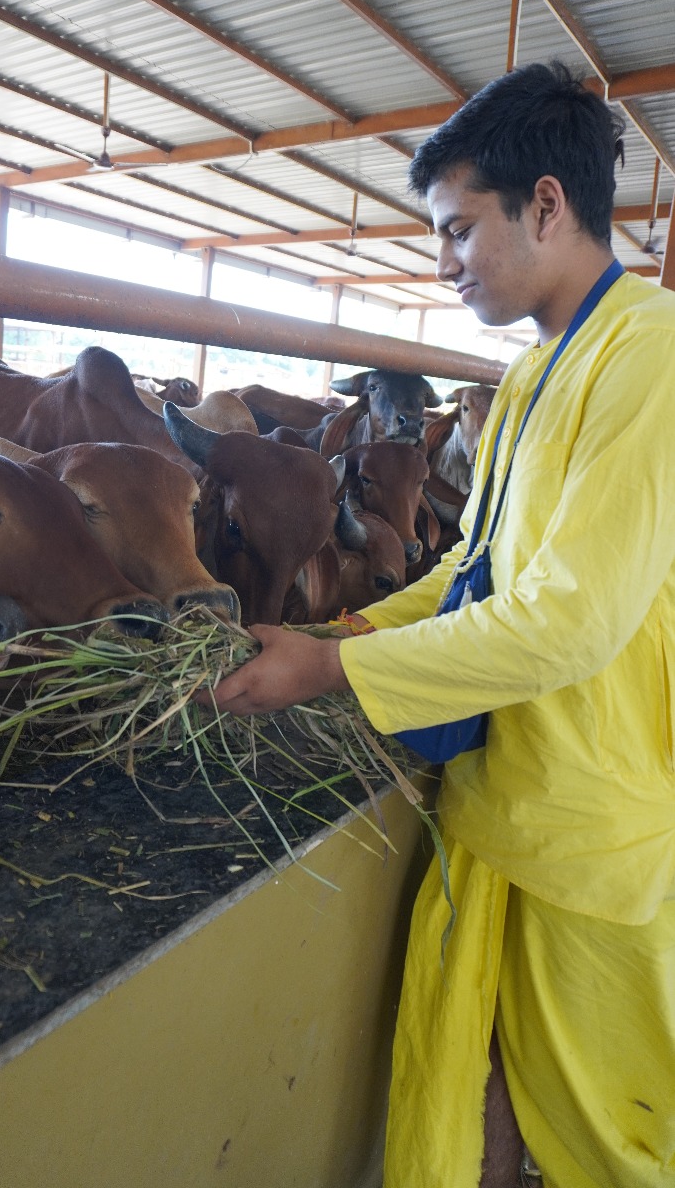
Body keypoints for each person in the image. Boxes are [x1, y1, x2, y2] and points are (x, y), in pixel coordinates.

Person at [204, 62, 675, 1188]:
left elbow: (568, 620)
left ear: (547, 205)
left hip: (587, 822)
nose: (442, 263)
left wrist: (330, 669)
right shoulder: (522, 382)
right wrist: (354, 630)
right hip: (497, 797)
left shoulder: (647, 356)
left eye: (458, 231)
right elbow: (478, 565)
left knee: (617, 1136)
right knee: (482, 1108)